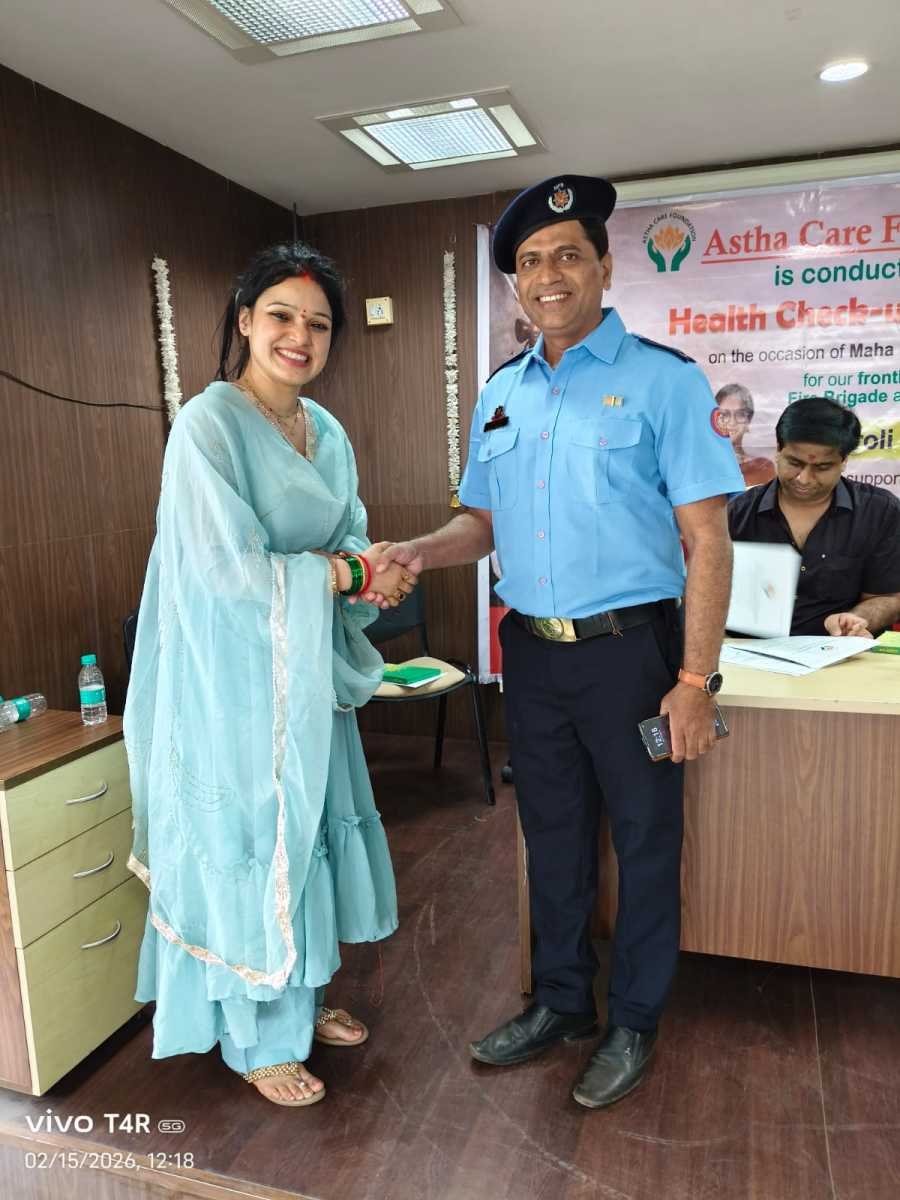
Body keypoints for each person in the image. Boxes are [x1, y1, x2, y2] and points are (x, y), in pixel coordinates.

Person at [366, 175, 744, 1108]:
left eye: (568, 255)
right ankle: (563, 1002)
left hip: (631, 654)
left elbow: (708, 539)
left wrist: (696, 679)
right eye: (530, 261)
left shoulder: (664, 380)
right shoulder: (502, 393)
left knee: (646, 841)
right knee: (553, 834)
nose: (549, 275)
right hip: (530, 654)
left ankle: (634, 1019)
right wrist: (418, 550)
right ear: (517, 283)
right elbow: (481, 524)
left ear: (605, 266)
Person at [124, 242, 414, 1107]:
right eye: (282, 316)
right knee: (255, 845)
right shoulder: (207, 425)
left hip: (306, 677)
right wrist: (346, 573)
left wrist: (372, 570)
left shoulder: (326, 430)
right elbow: (224, 569)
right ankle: (257, 1039)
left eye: (318, 324)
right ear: (246, 321)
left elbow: (350, 528)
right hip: (233, 687)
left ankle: (304, 995)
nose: (300, 336)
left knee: (307, 838)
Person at [728, 396, 900, 637]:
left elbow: (889, 597)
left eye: (822, 467)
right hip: (748, 652)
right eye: (794, 463)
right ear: (778, 450)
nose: (804, 479)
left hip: (839, 652)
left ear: (844, 461)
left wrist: (855, 620)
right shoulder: (737, 513)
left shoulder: (878, 511)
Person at [714, 383, 776, 487]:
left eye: (740, 414)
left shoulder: (762, 468)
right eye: (724, 415)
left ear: (749, 420)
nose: (732, 422)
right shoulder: (702, 467)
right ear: (714, 419)